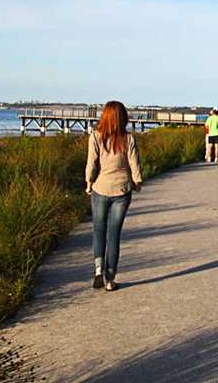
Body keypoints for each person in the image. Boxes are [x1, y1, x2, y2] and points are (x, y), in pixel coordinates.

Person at [86, 101, 142, 292]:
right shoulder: (128, 139)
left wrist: (88, 182)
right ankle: (110, 280)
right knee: (114, 235)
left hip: (100, 188)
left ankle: (98, 270)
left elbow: (91, 163)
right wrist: (137, 182)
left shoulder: (95, 136)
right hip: (122, 190)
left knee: (98, 230)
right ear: (123, 117)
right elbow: (134, 163)